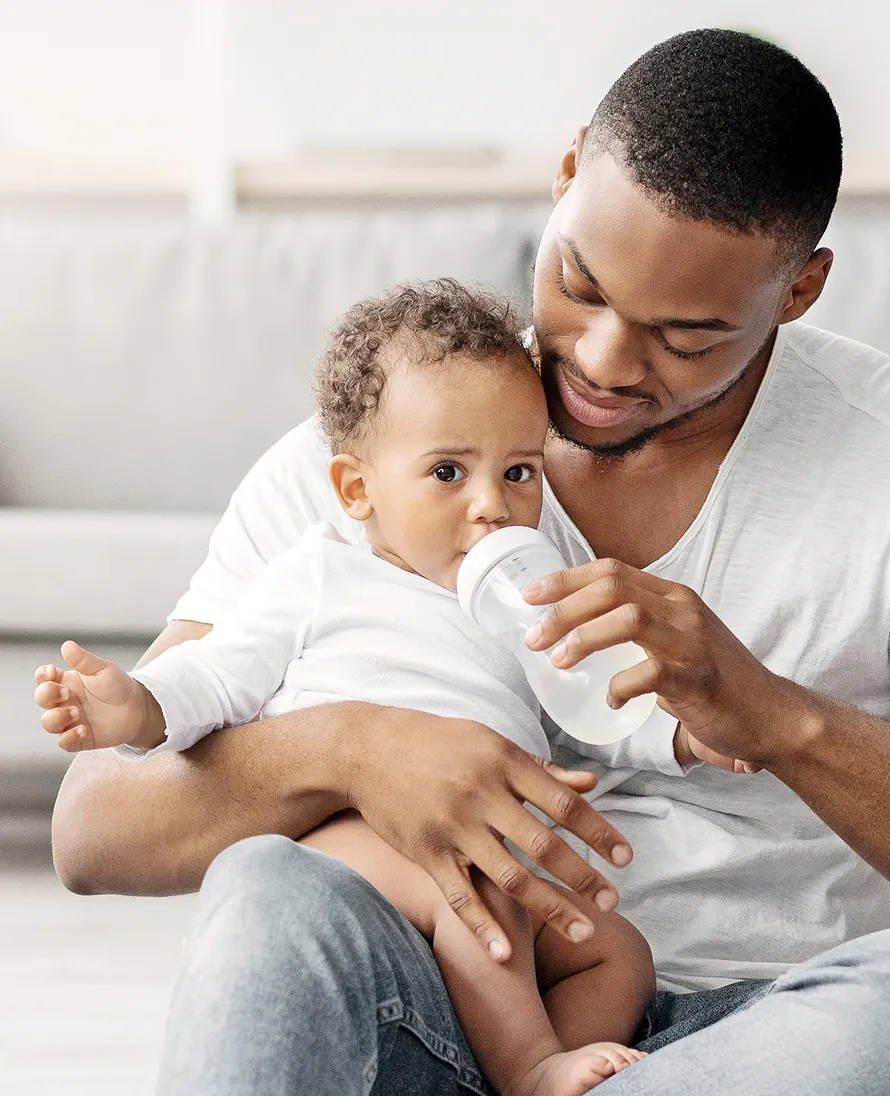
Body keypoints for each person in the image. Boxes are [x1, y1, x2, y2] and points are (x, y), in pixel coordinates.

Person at [49, 27, 890, 1096]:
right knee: (268, 891)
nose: (601, 362)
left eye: (684, 337)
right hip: (430, 1004)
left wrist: (780, 718)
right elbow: (96, 827)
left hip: (766, 1033)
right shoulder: (380, 454)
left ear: (799, 289)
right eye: (581, 285)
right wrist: (353, 747)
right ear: (566, 174)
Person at [36, 282, 656, 1096]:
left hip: (495, 839)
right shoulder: (319, 575)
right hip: (360, 837)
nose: (491, 506)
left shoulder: (525, 591)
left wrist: (683, 732)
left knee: (619, 954)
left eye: (518, 471)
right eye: (446, 472)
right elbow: (219, 674)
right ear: (359, 490)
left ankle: (531, 1066)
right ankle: (532, 1068)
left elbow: (589, 697)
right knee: (482, 899)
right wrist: (138, 707)